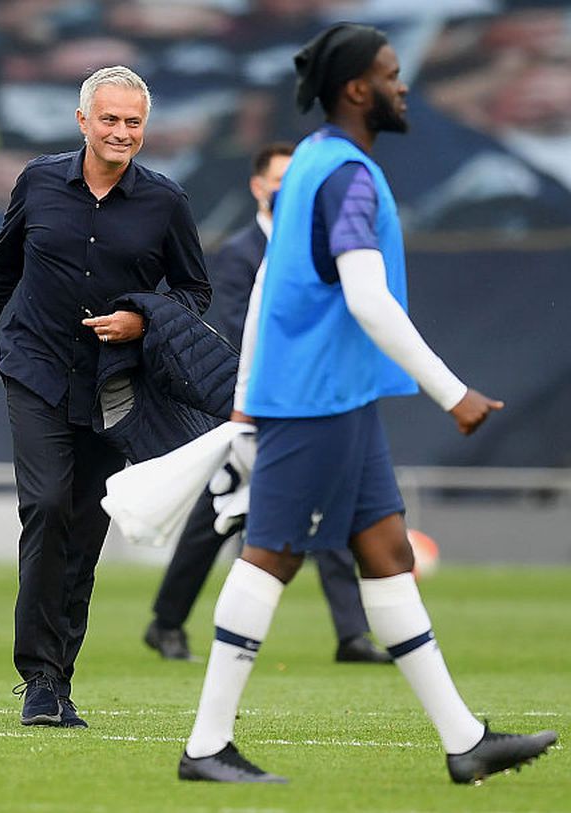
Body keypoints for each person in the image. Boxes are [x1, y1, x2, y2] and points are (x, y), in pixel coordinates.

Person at [178, 24, 557, 784]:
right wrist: (454, 393)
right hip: (317, 403)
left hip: (330, 401)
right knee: (271, 556)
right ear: (357, 89)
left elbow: (267, 296)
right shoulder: (347, 175)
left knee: (386, 556)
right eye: (391, 72)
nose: (404, 83)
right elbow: (368, 300)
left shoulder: (312, 164)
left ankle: (464, 740)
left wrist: (249, 398)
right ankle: (205, 746)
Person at [0, 65, 211, 728]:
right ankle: (38, 678)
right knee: (45, 506)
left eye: (132, 122)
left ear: (144, 129)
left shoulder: (166, 201)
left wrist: (143, 319)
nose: (121, 131)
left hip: (114, 384)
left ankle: (60, 675)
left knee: (84, 526)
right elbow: (1, 264)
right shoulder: (38, 181)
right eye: (109, 119)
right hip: (35, 368)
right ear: (82, 122)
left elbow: (194, 291)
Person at [144, 142, 390, 665]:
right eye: (279, 180)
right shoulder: (239, 253)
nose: (289, 190)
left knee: (330, 508)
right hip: (253, 405)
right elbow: (232, 332)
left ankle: (351, 635)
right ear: (258, 187)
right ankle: (167, 621)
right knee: (217, 516)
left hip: (314, 404)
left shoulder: (317, 248)